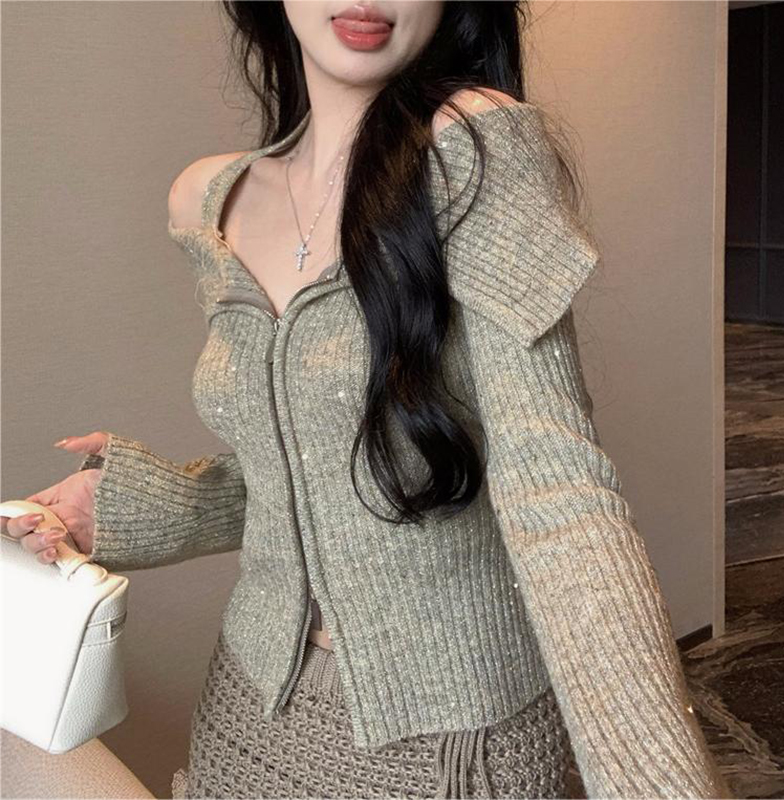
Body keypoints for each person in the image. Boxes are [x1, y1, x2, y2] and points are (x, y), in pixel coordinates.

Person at [3, 2, 733, 798]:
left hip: (448, 740)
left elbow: (560, 495)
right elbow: (313, 469)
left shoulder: (476, 147)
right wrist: (126, 509)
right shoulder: (208, 199)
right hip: (247, 715)